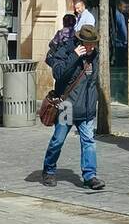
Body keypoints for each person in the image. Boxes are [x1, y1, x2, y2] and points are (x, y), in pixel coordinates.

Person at [41, 26, 105, 191]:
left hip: (86, 107)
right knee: (58, 140)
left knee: (89, 141)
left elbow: (92, 82)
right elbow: (58, 73)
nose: (91, 47)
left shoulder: (95, 56)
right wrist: (75, 56)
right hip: (67, 106)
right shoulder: (67, 51)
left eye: (93, 44)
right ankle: (49, 170)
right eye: (87, 44)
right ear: (80, 41)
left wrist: (93, 103)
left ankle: (90, 176)